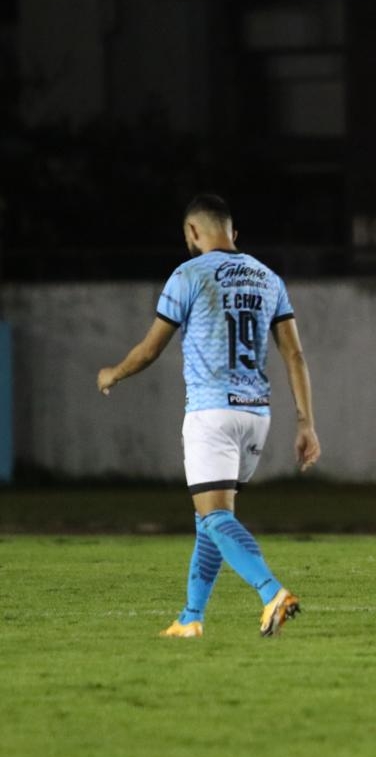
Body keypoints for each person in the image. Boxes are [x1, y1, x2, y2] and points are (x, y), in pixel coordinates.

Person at [97, 193, 321, 637]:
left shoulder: (189, 275)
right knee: (210, 520)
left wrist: (113, 373)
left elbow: (150, 349)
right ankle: (190, 618)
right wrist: (305, 423)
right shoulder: (268, 278)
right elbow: (294, 354)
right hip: (255, 417)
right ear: (233, 232)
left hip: (211, 413)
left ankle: (272, 591)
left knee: (216, 518)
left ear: (192, 233)